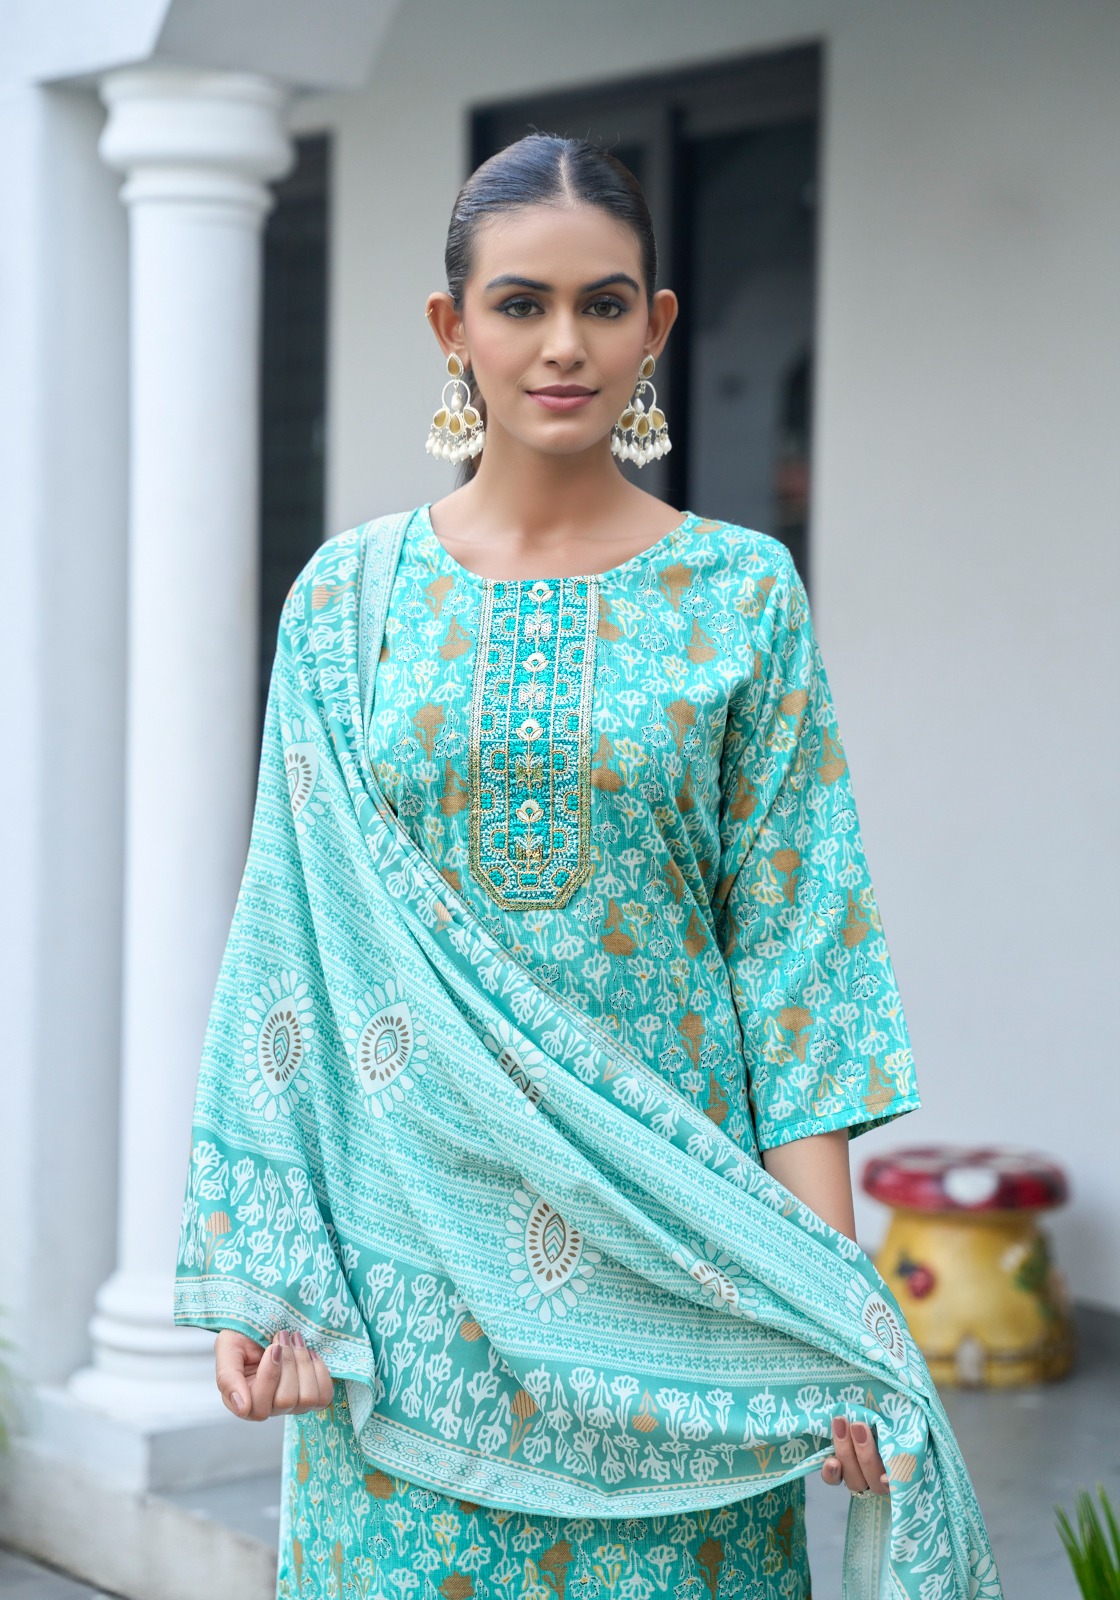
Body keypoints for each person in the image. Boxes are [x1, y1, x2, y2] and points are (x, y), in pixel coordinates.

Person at [176, 134, 1002, 1598]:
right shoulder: (347, 604)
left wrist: (827, 1306)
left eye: (604, 304)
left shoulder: (741, 595)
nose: (564, 345)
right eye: (521, 304)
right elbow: (288, 949)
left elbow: (798, 969)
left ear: (656, 326)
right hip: (413, 1295)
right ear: (453, 328)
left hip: (679, 1292)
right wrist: (269, 1269)